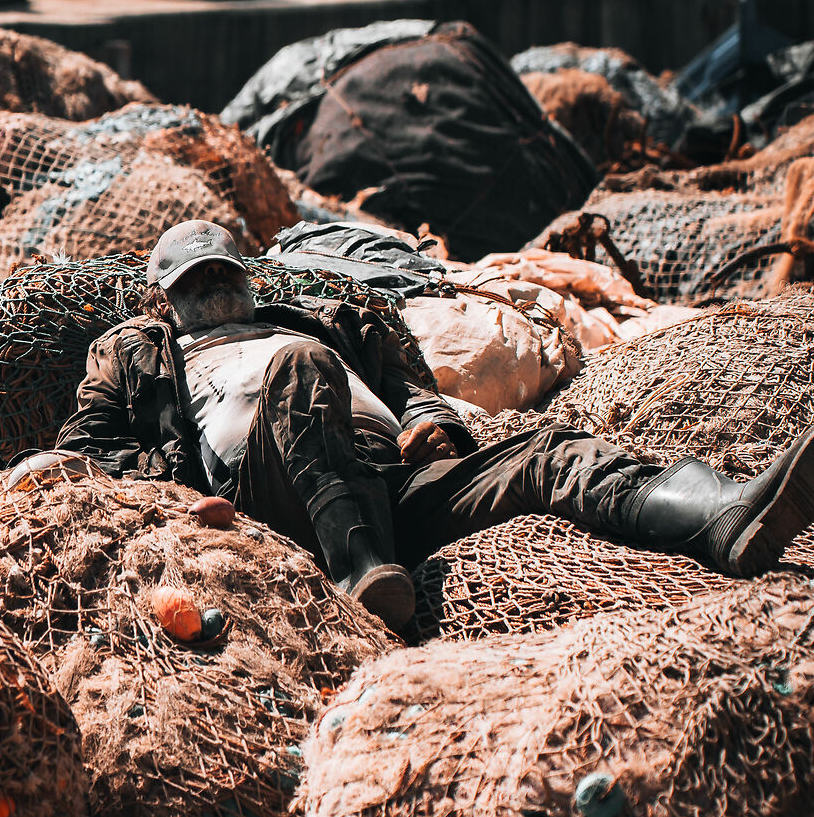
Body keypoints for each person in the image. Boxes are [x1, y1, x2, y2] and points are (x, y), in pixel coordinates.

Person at [56, 219, 814, 631]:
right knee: (301, 373)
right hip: (269, 502)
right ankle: (359, 572)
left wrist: (431, 424)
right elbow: (86, 455)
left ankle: (719, 514)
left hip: (389, 481)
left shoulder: (320, 327)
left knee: (545, 453)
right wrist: (177, 506)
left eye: (223, 271)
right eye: (195, 281)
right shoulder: (137, 354)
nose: (213, 287)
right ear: (166, 298)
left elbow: (411, 389)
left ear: (247, 278)